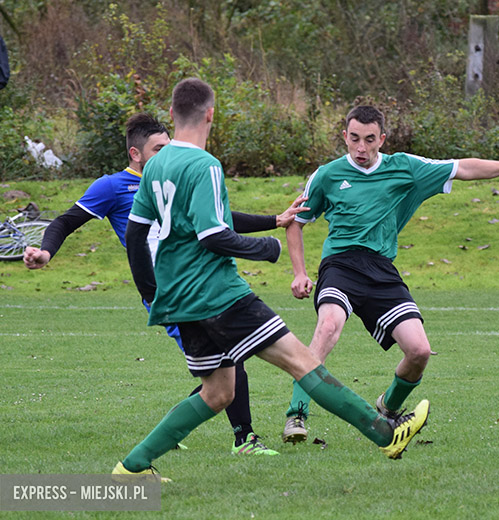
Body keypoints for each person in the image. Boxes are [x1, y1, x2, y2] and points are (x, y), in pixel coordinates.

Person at [113, 78, 429, 480]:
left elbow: (136, 233)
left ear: (172, 115)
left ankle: (133, 466)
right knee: (303, 363)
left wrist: (152, 293)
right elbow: (213, 236)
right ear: (211, 114)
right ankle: (386, 433)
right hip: (219, 294)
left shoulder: (156, 164)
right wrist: (268, 248)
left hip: (180, 298)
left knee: (218, 393)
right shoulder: (205, 165)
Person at [23, 112, 308, 457]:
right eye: (158, 149)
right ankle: (243, 439)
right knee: (229, 361)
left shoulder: (176, 178)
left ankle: (178, 431)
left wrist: (273, 220)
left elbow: (217, 220)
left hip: (197, 283)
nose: (167, 154)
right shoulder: (113, 187)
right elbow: (66, 221)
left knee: (221, 369)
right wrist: (46, 252)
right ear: (135, 154)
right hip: (167, 293)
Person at [280, 105, 499, 443]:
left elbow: (463, 168)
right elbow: (294, 221)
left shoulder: (406, 168)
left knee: (419, 351)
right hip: (341, 265)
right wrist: (299, 273)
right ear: (344, 137)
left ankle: (388, 409)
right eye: (353, 139)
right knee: (329, 326)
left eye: (369, 140)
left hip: (381, 270)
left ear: (383, 138)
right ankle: (297, 413)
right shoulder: (328, 175)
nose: (361, 148)